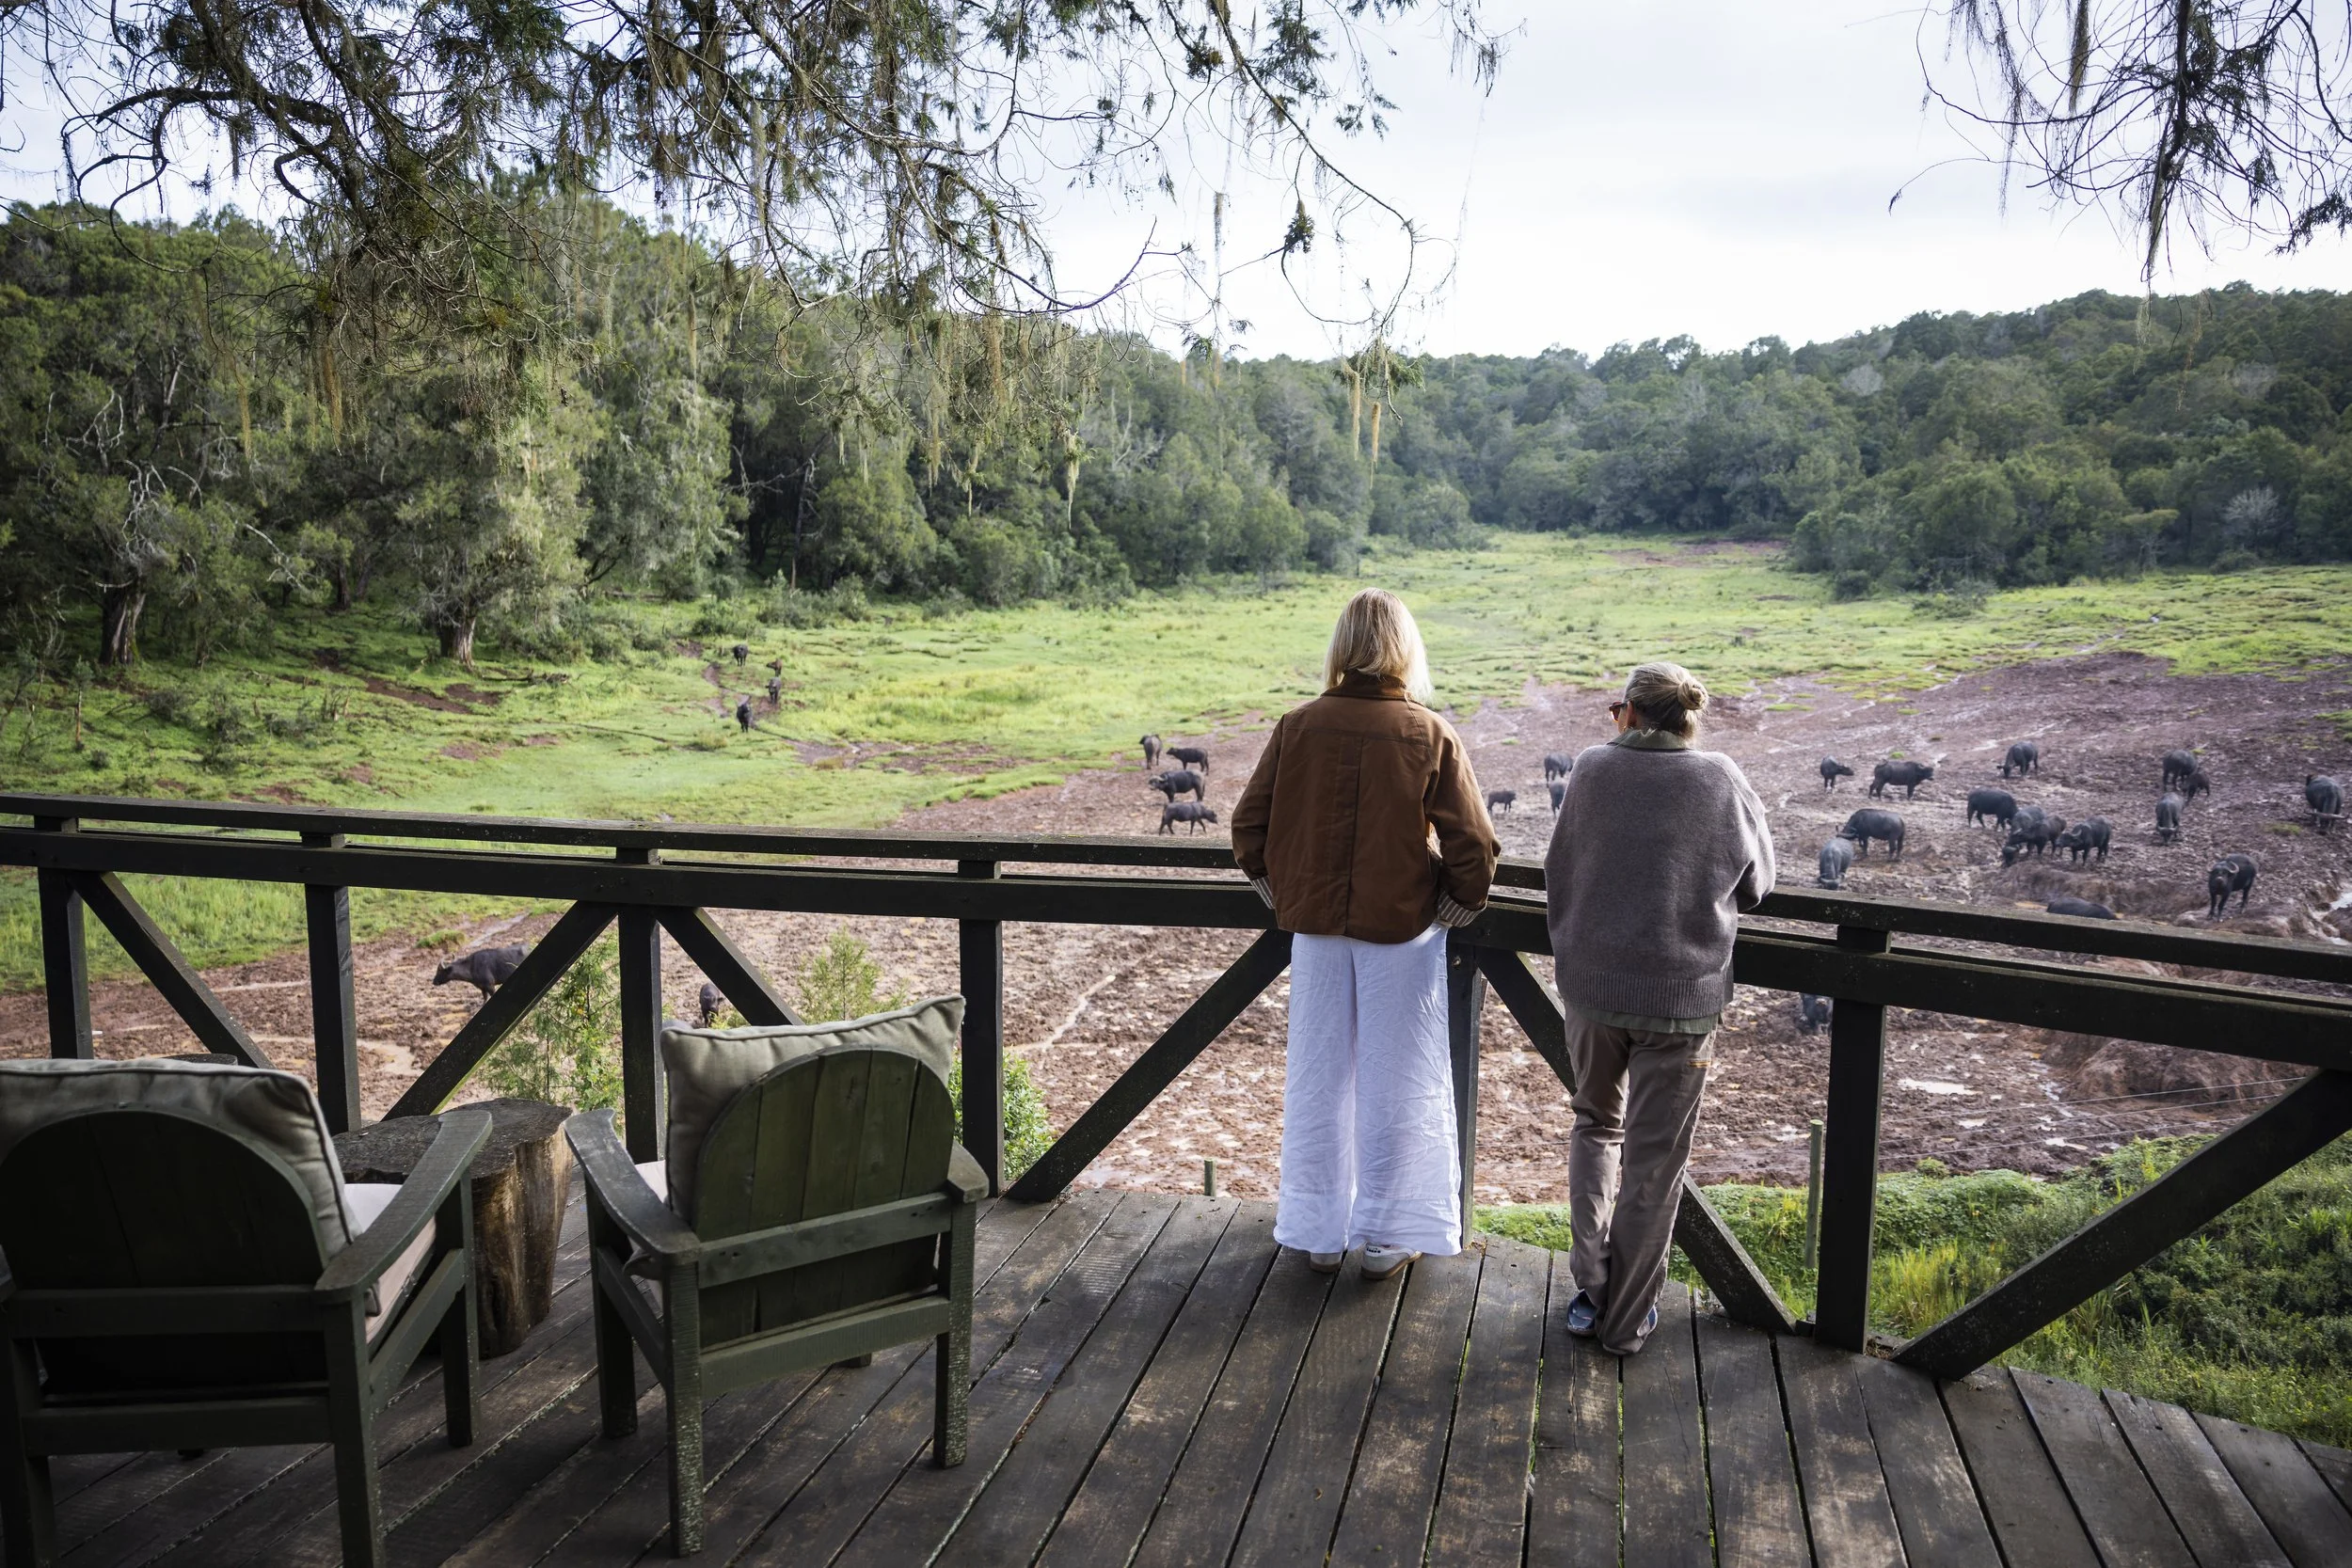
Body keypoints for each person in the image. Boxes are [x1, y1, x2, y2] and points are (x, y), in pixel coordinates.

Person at [1232, 589, 1500, 1280]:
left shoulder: (1298, 725)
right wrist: (1456, 904)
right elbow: (1474, 846)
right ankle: (1386, 1236)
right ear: (1404, 649)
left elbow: (1248, 828)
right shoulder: (1428, 732)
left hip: (1316, 934)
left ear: (1342, 647)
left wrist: (1280, 891)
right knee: (1399, 1079)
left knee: (1319, 1079)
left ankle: (1319, 1234)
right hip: (1401, 934)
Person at [1544, 660, 1773, 1354]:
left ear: (1632, 713)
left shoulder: (1591, 768)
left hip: (1593, 992)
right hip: (1681, 1001)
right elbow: (1758, 883)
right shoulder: (1721, 776)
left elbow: (1558, 865)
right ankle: (1625, 1322)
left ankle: (1593, 1289)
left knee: (1594, 1128)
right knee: (1655, 1163)